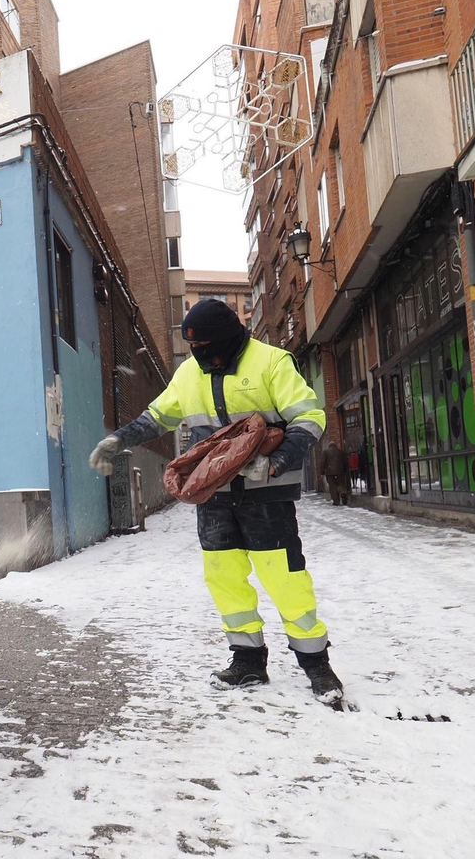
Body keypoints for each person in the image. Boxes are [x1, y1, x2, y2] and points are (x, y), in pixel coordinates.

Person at [89, 299, 343, 703]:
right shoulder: (189, 373)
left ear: (227, 338)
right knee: (224, 577)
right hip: (214, 496)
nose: (200, 355)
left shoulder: (272, 362)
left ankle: (317, 666)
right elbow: (157, 417)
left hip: (268, 495)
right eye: (194, 347)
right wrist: (119, 438)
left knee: (285, 578)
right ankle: (248, 660)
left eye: (206, 345)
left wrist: (274, 463)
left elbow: (310, 418)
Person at [320, 439, 348, 507]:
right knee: (340, 484)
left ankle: (336, 501)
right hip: (340, 472)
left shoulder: (325, 452)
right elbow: (345, 462)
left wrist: (322, 472)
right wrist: (345, 470)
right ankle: (342, 492)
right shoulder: (340, 451)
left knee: (332, 487)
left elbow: (322, 462)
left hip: (330, 473)